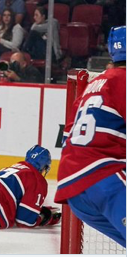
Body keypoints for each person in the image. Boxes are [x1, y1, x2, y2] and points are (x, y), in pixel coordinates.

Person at [55, 26, 126, 247]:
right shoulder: (123, 80)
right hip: (105, 181)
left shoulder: (93, 85)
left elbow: (67, 137)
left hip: (74, 192)